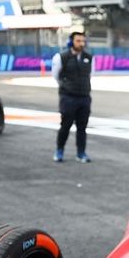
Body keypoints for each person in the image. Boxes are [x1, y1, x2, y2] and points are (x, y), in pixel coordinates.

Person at [52, 31, 93, 163]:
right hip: (68, 98)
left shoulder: (89, 57)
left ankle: (81, 153)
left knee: (82, 127)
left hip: (84, 97)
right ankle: (59, 150)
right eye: (78, 41)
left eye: (83, 41)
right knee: (65, 126)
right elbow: (56, 76)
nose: (81, 44)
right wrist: (67, 87)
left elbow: (90, 75)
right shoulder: (61, 57)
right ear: (71, 42)